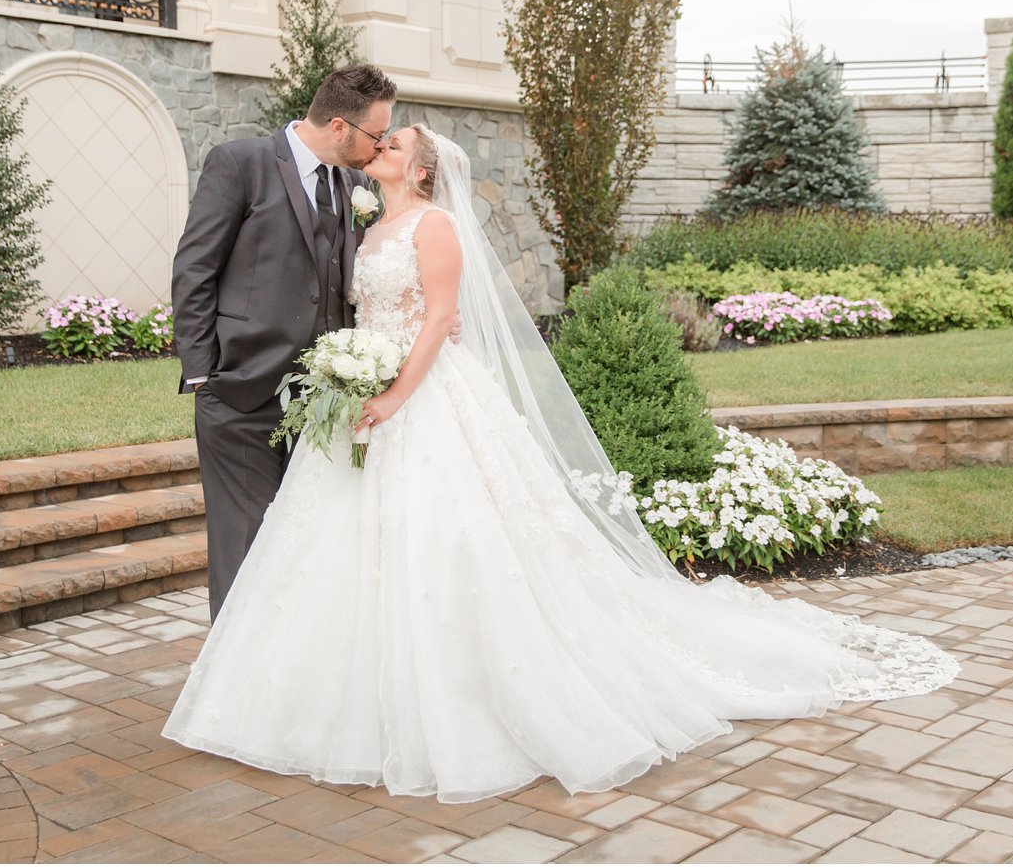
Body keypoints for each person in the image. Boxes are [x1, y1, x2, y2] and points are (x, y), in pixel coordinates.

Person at [162, 126, 959, 803]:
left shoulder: (434, 228)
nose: (381, 143)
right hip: (366, 401)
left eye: (394, 141)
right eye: (382, 135)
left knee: (451, 545)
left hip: (424, 400)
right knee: (335, 551)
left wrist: (396, 394)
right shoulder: (368, 227)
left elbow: (441, 322)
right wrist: (351, 373)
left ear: (422, 167)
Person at [171, 65, 395, 620]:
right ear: (339, 126)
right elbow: (194, 269)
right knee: (244, 548)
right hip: (240, 394)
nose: (382, 146)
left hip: (323, 404)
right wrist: (203, 373)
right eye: (376, 135)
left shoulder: (356, 186)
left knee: (310, 546)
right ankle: (232, 688)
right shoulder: (240, 163)